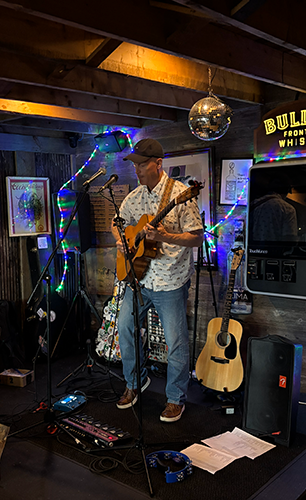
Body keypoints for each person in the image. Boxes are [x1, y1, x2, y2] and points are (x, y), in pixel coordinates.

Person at [111, 138, 204, 423]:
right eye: (135, 165)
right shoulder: (135, 196)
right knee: (125, 327)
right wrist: (122, 242)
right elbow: (116, 222)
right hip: (138, 278)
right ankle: (135, 382)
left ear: (158, 163)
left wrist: (164, 236)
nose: (137, 170)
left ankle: (175, 398)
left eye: (142, 164)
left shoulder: (180, 195)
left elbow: (197, 237)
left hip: (170, 281)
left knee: (175, 342)